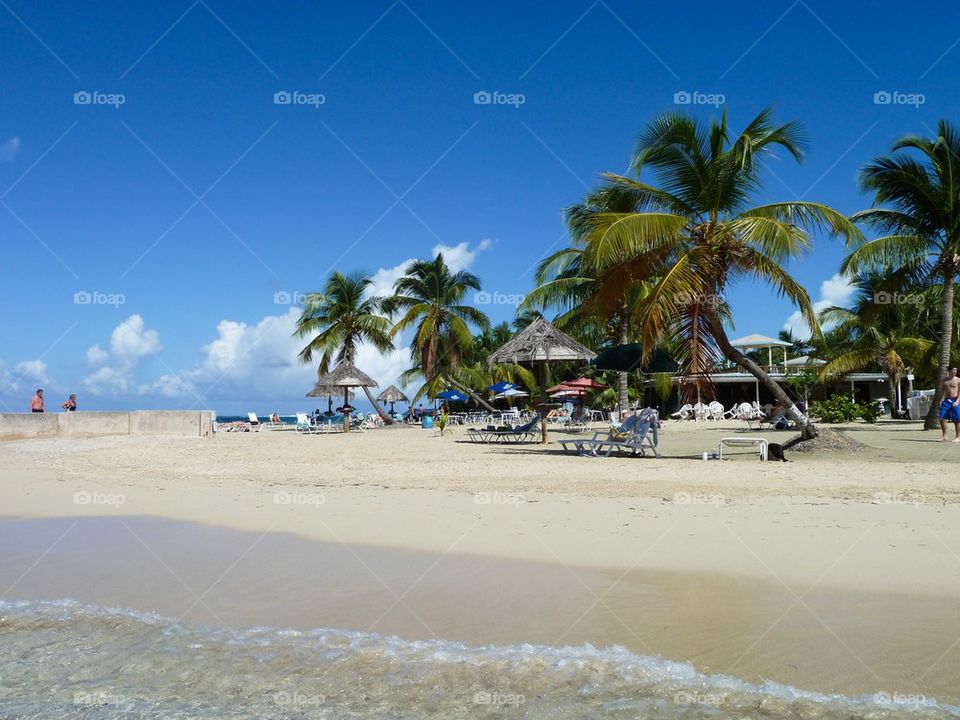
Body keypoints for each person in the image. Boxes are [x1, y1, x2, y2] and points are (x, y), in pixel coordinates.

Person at [939, 366, 960, 442]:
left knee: (957, 419)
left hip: (955, 400)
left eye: (956, 370)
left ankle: (958, 437)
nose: (955, 371)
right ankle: (945, 436)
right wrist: (941, 400)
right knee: (942, 418)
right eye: (953, 370)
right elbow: (942, 391)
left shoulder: (958, 380)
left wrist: (957, 401)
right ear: (949, 371)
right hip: (946, 400)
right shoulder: (944, 380)